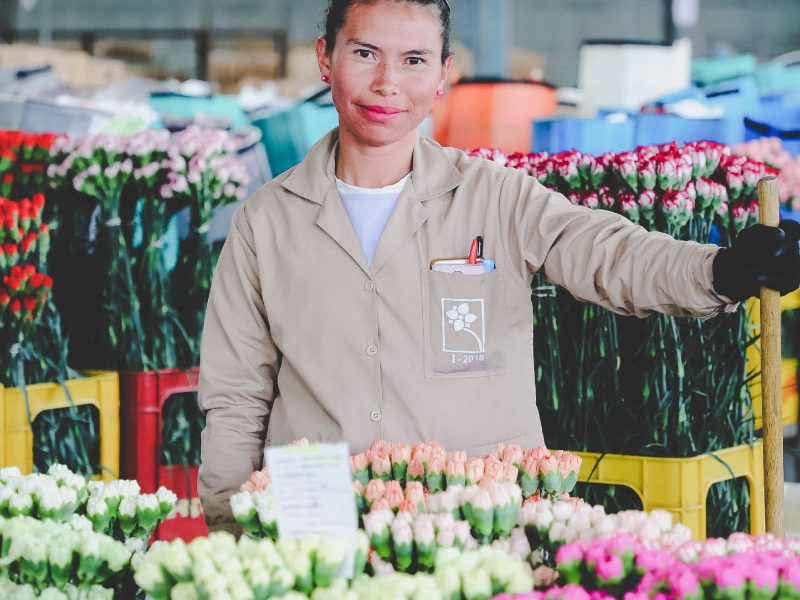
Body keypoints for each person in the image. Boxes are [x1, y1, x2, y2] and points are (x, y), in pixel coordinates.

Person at [197, 0, 800, 533]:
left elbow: (609, 252)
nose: (387, 83)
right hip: (320, 529)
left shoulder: (497, 198)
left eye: (413, 59)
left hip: (479, 522)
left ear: (443, 75)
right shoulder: (265, 223)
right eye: (364, 53)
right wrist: (229, 529)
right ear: (325, 59)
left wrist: (721, 270)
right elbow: (235, 398)